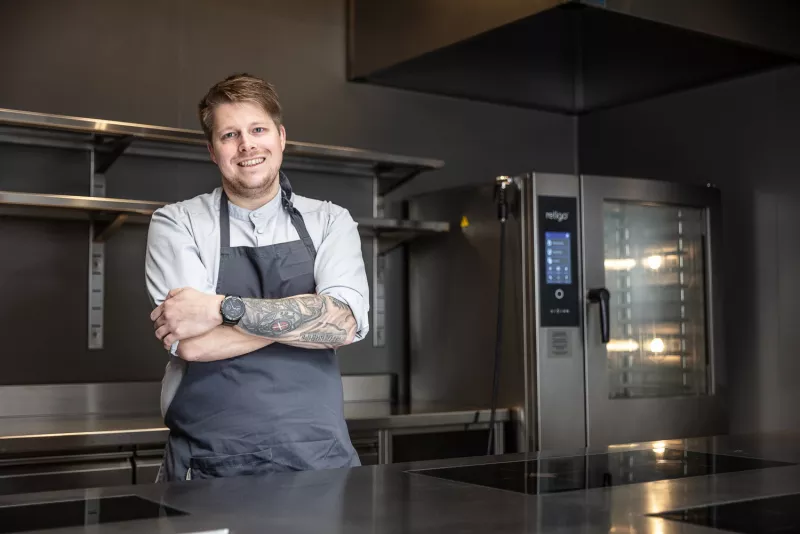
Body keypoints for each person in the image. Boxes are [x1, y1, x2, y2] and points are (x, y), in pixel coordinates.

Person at [145, 73, 369, 482]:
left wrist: (222, 308)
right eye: (229, 135)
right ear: (213, 151)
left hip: (319, 459)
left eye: (258, 130)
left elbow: (343, 325)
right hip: (210, 460)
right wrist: (310, 318)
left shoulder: (330, 221)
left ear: (280, 138)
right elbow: (193, 344)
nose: (247, 145)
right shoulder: (177, 222)